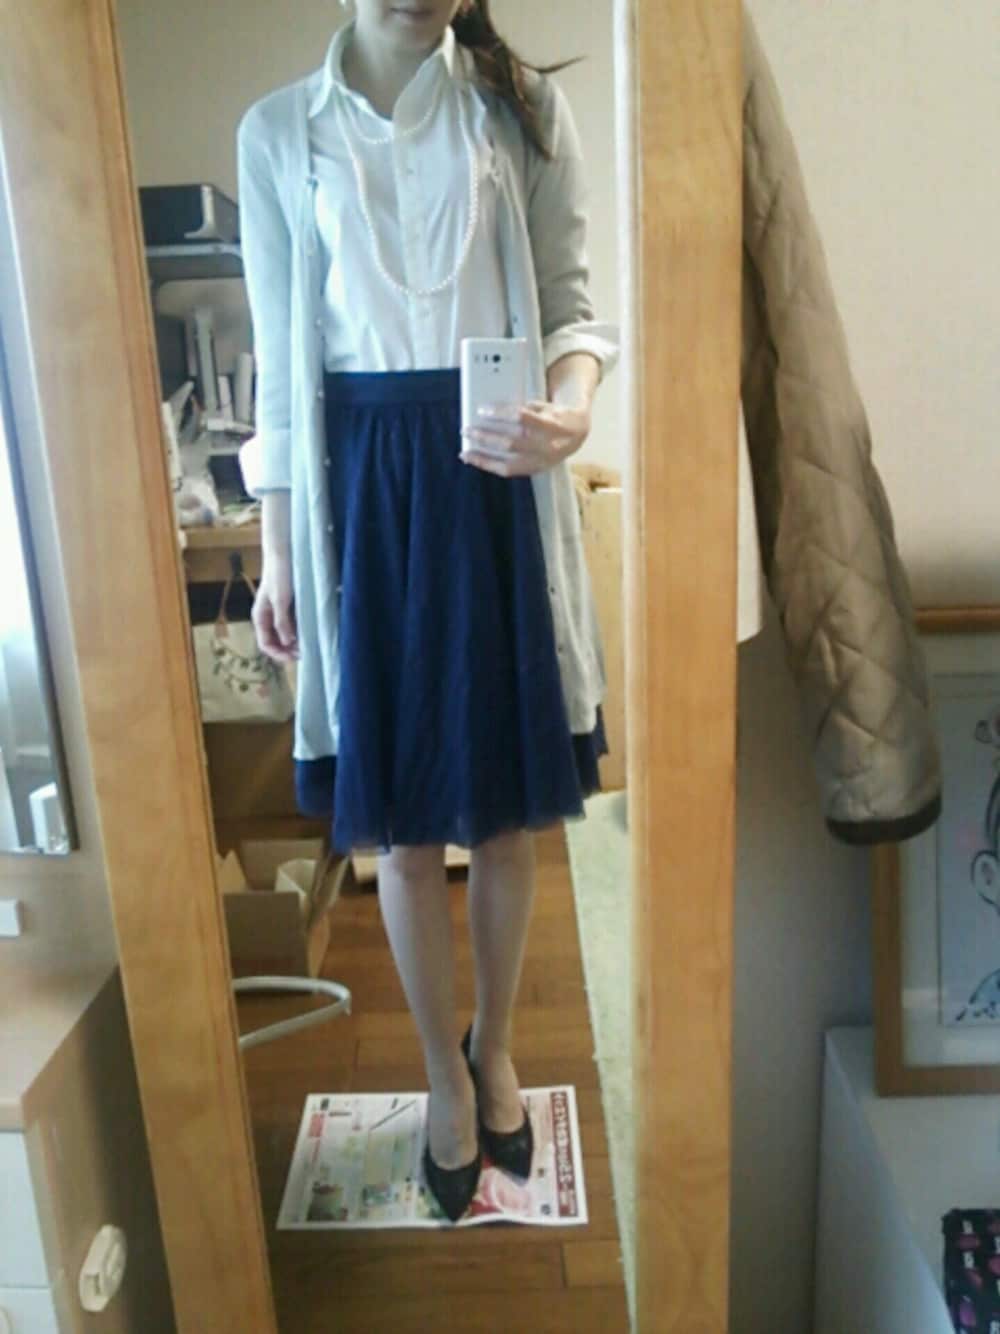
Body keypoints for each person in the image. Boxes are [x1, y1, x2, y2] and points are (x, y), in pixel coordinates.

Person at [237, 0, 618, 1223]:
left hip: (494, 476)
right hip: (363, 491)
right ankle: (437, 1075)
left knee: (503, 811)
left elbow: (572, 308)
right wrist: (277, 553)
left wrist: (574, 407)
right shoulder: (279, 133)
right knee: (401, 823)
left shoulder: (521, 108)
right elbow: (281, 362)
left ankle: (492, 1045)